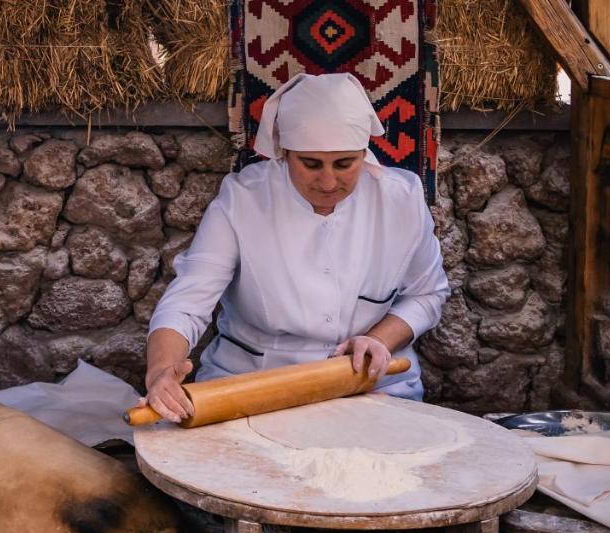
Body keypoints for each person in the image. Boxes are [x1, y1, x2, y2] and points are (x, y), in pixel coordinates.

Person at [141, 72, 451, 423]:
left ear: (364, 152)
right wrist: (160, 372)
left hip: (372, 382)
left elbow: (428, 294)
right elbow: (189, 300)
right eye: (311, 164)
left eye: (345, 164)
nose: (329, 181)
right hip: (253, 385)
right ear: (285, 153)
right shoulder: (243, 199)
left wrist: (379, 339)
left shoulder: (401, 199)